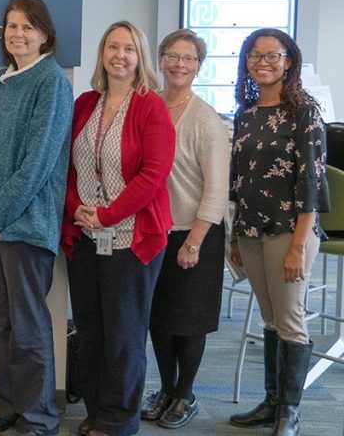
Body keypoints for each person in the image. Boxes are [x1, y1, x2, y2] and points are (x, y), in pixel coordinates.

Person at [0, 0, 72, 436]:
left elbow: (38, 162)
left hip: (27, 226)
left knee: (28, 326)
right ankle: (9, 407)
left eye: (27, 27)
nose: (18, 34)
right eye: (11, 26)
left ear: (45, 34)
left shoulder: (52, 81)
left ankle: (38, 417)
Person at [60, 21, 175, 436]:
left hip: (132, 238)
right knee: (91, 330)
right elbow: (68, 168)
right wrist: (77, 210)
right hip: (85, 236)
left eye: (129, 48)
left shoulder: (151, 106)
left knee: (124, 333)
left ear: (139, 57)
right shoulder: (85, 103)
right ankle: (96, 410)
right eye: (113, 46)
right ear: (102, 53)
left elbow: (154, 174)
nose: (120, 55)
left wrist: (106, 214)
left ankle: (120, 419)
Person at [227, 29, 327, 436]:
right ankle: (271, 403)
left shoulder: (305, 110)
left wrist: (298, 247)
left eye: (272, 55)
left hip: (290, 231)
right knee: (270, 319)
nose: (262, 61)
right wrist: (234, 235)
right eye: (254, 55)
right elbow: (238, 181)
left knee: (290, 321)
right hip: (250, 229)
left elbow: (312, 184)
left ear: (289, 60)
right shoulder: (246, 113)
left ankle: (291, 411)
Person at [140, 29, 229, 430]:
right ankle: (167, 387)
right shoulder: (148, 106)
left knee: (188, 321)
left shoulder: (207, 120)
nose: (180, 64)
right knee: (159, 318)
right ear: (159, 60)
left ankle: (186, 393)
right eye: (173, 56)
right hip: (154, 230)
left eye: (189, 58)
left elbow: (216, 191)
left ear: (198, 66)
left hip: (196, 233)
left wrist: (193, 242)